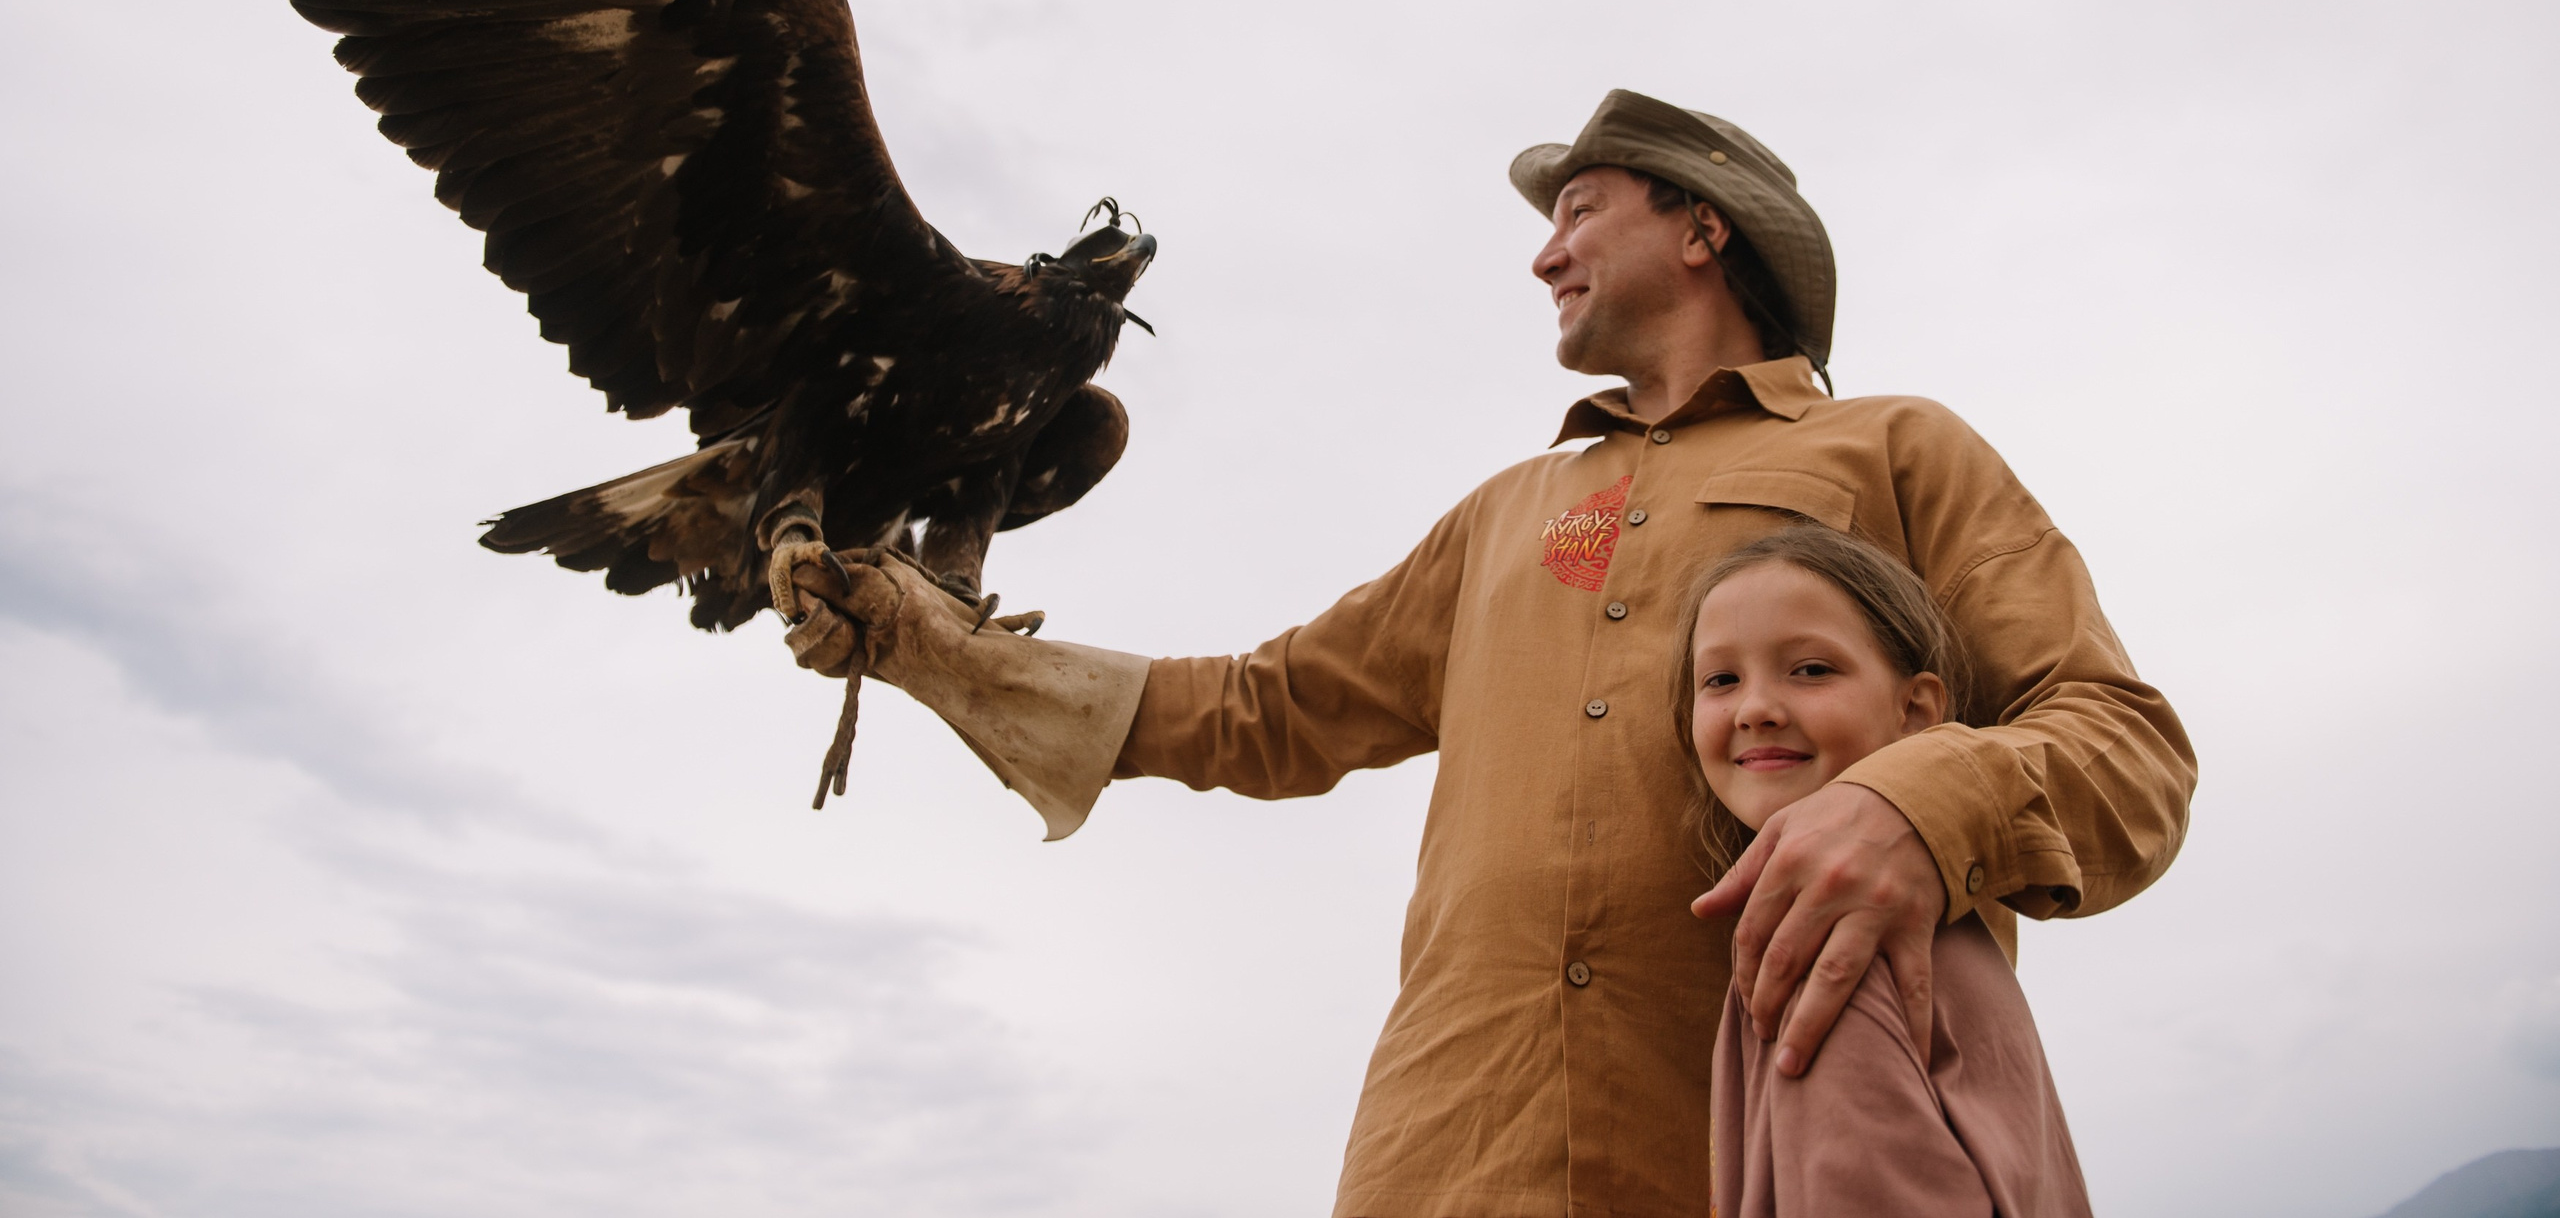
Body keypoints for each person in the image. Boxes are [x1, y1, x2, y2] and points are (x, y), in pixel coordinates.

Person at [784, 88, 2196, 1218]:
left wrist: (1921, 802)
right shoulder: (1506, 513)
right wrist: (940, 652)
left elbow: (2128, 751)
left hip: (1774, 1155)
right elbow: (1266, 708)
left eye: (1581, 208)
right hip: (1449, 1157)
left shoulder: (1896, 446)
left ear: (1703, 229)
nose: (1543, 250)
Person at [1677, 523, 2092, 1218]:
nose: (1756, 708)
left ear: (1916, 711)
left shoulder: (1832, 934)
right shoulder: (1940, 919)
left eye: (1811, 669)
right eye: (1721, 679)